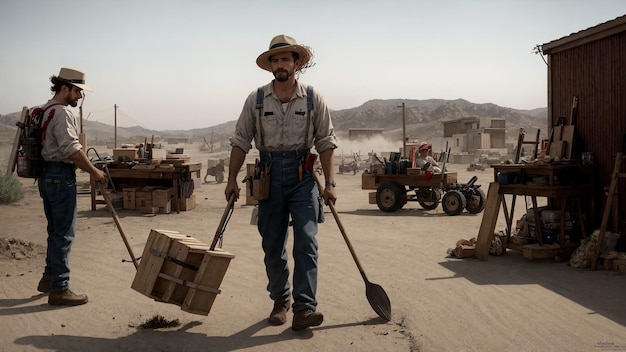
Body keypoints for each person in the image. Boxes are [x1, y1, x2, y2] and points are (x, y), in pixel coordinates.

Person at [225, 35, 338, 331]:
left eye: (285, 59)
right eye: (275, 60)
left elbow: (326, 143)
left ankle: (304, 308)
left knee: (307, 241)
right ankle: (280, 300)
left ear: (297, 63)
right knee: (272, 244)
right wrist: (231, 179)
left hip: (304, 177)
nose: (280, 64)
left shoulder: (313, 98)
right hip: (268, 175)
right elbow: (240, 141)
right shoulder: (257, 100)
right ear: (270, 66)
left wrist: (330, 184)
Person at [36, 67, 108, 306]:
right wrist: (94, 171)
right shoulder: (62, 113)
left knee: (55, 232)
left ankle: (48, 279)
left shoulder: (45, 110)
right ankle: (60, 288)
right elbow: (72, 150)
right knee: (64, 235)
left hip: (47, 176)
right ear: (64, 88)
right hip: (60, 175)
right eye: (77, 91)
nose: (79, 97)